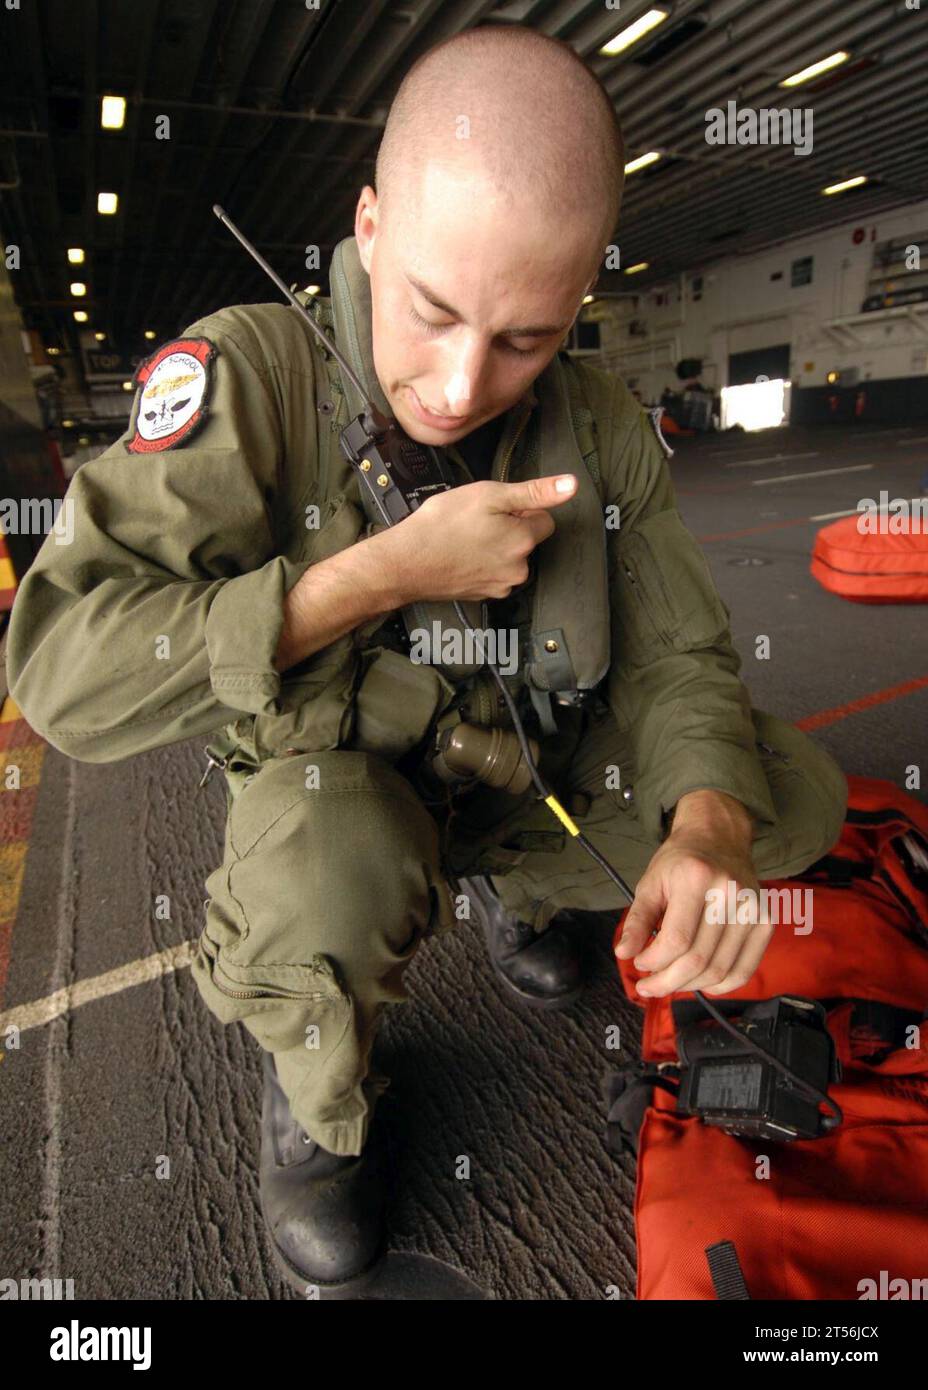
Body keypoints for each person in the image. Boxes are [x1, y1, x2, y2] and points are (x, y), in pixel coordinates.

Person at [5, 26, 847, 1295]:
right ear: (370, 223)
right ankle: (321, 1105)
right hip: (341, 798)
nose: (459, 384)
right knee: (323, 863)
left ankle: (525, 895)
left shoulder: (601, 420)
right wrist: (374, 577)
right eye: (433, 311)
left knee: (790, 791)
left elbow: (681, 655)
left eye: (524, 336)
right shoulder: (245, 376)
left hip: (524, 776)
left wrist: (710, 825)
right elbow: (63, 671)